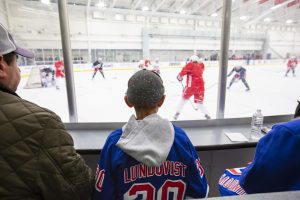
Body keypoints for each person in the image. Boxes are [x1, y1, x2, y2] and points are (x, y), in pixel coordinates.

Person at [0, 23, 93, 199]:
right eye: (16, 61)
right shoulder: (41, 124)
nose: (19, 69)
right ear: (1, 66)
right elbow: (79, 189)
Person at [93, 69, 209, 199]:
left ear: (127, 101)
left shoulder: (114, 143)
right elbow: (200, 192)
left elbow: (102, 196)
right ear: (162, 100)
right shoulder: (180, 139)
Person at [218, 100, 300, 196]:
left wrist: (250, 169)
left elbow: (253, 184)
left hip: (285, 194)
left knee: (227, 177)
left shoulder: (287, 131)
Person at [174, 55, 211, 120]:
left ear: (192, 60)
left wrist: (179, 76)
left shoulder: (191, 64)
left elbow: (184, 71)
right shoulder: (201, 66)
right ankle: (207, 115)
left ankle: (177, 113)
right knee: (200, 103)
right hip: (201, 87)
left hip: (191, 86)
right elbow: (197, 68)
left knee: (183, 99)